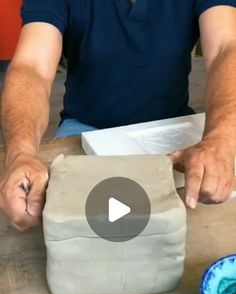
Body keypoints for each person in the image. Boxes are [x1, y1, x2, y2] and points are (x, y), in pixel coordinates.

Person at [1, 0, 236, 230]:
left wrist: (221, 137)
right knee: (65, 225)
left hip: (172, 128)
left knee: (204, 223)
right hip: (86, 128)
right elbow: (32, 68)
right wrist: (20, 153)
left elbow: (226, 48)